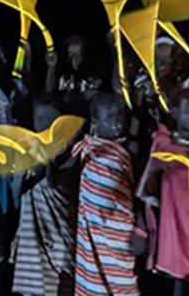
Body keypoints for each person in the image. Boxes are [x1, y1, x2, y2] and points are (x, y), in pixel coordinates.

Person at [138, 89, 189, 296]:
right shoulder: (165, 146)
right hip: (178, 225)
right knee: (179, 279)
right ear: (174, 113)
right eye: (188, 111)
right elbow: (149, 185)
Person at [11, 96, 83, 296]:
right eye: (39, 119)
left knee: (61, 284)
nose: (44, 125)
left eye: (50, 120)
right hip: (33, 233)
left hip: (59, 233)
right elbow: (16, 195)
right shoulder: (27, 150)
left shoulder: (73, 151)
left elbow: (59, 186)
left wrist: (48, 159)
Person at [73, 93, 144, 296]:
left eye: (120, 116)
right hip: (94, 230)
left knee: (123, 281)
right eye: (110, 118)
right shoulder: (88, 149)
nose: (116, 122)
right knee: (94, 280)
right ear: (95, 123)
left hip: (120, 231)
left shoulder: (127, 150)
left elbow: (134, 190)